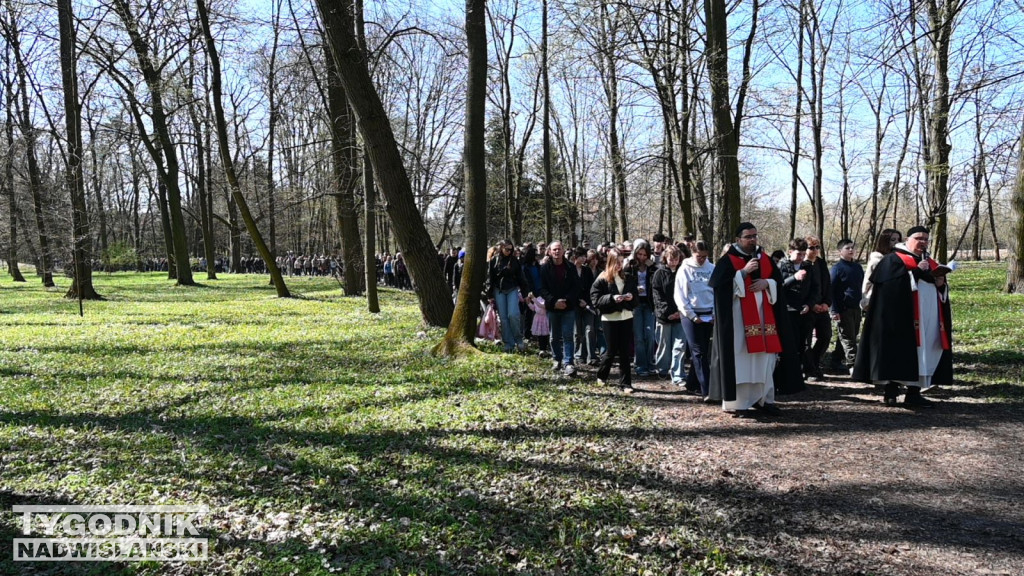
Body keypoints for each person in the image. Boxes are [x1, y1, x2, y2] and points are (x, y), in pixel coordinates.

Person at [709, 223, 804, 417]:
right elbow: (720, 289)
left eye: (754, 236)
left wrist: (767, 283)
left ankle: (764, 399)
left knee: (765, 360)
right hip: (738, 323)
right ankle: (738, 403)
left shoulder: (765, 259)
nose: (752, 240)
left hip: (764, 320)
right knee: (741, 361)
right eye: (748, 237)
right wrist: (743, 273)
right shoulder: (727, 261)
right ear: (738, 239)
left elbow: (778, 283)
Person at [853, 226, 952, 407]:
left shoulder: (929, 261)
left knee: (922, 353)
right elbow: (889, 288)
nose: (923, 242)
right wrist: (916, 272)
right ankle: (891, 392)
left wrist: (940, 284)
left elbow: (937, 287)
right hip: (900, 318)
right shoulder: (893, 259)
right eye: (918, 238)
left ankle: (914, 393)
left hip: (927, 318)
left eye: (926, 239)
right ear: (907, 239)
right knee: (897, 352)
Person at [591, 248, 639, 392]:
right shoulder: (602, 278)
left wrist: (631, 297)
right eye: (617, 262)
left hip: (626, 317)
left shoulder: (628, 277)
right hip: (609, 318)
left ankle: (626, 384)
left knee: (625, 351)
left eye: (621, 262)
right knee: (611, 350)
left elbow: (636, 299)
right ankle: (602, 375)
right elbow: (596, 300)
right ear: (610, 262)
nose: (619, 265)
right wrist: (612, 298)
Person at [675, 241, 715, 399]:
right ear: (693, 254)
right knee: (698, 352)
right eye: (699, 257)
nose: (702, 260)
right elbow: (680, 296)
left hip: (708, 314)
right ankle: (707, 390)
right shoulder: (684, 269)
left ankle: (692, 384)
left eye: (705, 257)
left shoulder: (712, 268)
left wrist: (714, 314)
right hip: (690, 314)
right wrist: (692, 315)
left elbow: (716, 292)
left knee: (702, 350)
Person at [778, 238, 819, 381]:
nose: (801, 257)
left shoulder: (808, 267)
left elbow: (815, 289)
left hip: (805, 311)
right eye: (798, 254)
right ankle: (788, 374)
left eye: (803, 254)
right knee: (790, 344)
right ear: (790, 252)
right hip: (788, 311)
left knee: (803, 343)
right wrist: (794, 278)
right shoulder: (781, 266)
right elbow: (778, 287)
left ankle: (801, 371)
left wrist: (809, 304)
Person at [540, 241, 581, 376]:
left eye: (559, 249)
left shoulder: (571, 267)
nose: (557, 252)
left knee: (568, 335)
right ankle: (557, 359)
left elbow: (576, 287)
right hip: (553, 307)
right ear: (549, 252)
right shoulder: (545, 268)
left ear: (563, 251)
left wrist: (566, 300)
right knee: (554, 336)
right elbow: (542, 289)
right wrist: (554, 301)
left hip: (568, 307)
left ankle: (568, 362)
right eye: (554, 249)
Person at [652, 245, 686, 384]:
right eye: (671, 259)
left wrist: (680, 311)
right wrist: (667, 312)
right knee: (664, 345)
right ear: (665, 258)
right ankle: (662, 369)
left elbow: (686, 292)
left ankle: (678, 374)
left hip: (681, 314)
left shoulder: (683, 272)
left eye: (676, 259)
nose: (673, 262)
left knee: (680, 346)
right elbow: (657, 296)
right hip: (664, 316)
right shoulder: (659, 273)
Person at [829, 239, 864, 374]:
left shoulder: (857, 267)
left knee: (850, 335)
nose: (851, 250)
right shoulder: (836, 269)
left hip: (856, 307)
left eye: (852, 248)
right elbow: (830, 290)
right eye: (847, 248)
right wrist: (834, 310)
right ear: (840, 251)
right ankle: (854, 366)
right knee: (848, 338)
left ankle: (835, 360)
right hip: (843, 308)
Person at [487, 239, 527, 353]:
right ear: (501, 248)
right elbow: (490, 277)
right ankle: (508, 343)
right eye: (507, 249)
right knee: (503, 318)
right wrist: (489, 294)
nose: (509, 251)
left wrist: (525, 293)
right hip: (498, 290)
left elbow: (521, 277)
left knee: (513, 315)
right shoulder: (493, 260)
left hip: (512, 289)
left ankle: (518, 339)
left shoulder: (514, 261)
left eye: (511, 249)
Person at [628, 241, 658, 377]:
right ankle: (640, 365)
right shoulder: (630, 267)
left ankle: (650, 363)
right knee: (639, 336)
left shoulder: (652, 268)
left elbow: (657, 281)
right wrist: (635, 289)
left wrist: (653, 267)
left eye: (644, 255)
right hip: (636, 304)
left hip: (649, 304)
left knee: (650, 335)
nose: (642, 257)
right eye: (639, 254)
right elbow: (625, 283)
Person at [803, 235, 831, 379]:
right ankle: (809, 370)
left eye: (817, 247)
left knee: (826, 336)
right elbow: (801, 289)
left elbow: (827, 284)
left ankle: (814, 363)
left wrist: (827, 303)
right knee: (806, 342)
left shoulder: (821, 263)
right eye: (811, 247)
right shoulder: (802, 264)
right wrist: (811, 304)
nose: (815, 250)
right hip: (808, 309)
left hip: (822, 307)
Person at [861, 229, 901, 310]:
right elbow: (868, 281)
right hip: (878, 299)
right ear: (885, 241)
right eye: (893, 240)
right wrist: (865, 299)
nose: (896, 242)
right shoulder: (876, 260)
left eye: (898, 239)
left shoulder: (899, 258)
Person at [572, 248, 599, 365]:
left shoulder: (587, 271)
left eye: (584, 256)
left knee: (589, 330)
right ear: (575, 257)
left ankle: (591, 356)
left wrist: (587, 302)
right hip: (574, 305)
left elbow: (591, 288)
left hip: (587, 304)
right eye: (581, 256)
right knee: (577, 331)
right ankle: (578, 355)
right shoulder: (570, 270)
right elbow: (568, 288)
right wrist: (577, 301)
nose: (584, 258)